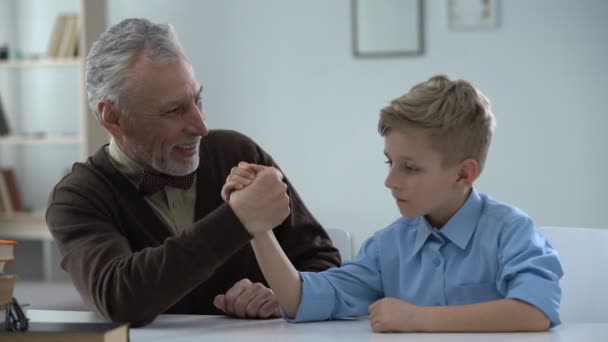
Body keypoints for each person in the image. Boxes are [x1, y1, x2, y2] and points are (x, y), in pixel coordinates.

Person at [45, 18, 340, 326]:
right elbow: (120, 301)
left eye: (198, 99)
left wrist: (281, 293)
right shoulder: (76, 197)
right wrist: (238, 219)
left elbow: (327, 265)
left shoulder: (237, 153)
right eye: (174, 110)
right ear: (114, 118)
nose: (201, 126)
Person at [223, 75, 563, 332]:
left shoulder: (511, 231)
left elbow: (536, 312)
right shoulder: (388, 246)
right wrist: (256, 225)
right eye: (390, 163)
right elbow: (299, 299)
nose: (391, 180)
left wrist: (418, 318)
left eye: (410, 168)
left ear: (463, 173)